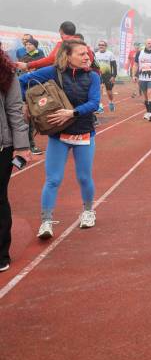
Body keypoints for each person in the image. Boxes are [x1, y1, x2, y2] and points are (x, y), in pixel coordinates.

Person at [19, 39, 100, 239]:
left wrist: (71, 113)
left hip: (83, 132)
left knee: (84, 177)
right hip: (58, 134)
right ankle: (46, 221)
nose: (86, 57)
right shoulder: (53, 72)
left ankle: (89, 211)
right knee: (53, 180)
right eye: (81, 54)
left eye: (87, 54)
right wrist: (25, 104)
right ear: (68, 56)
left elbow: (94, 103)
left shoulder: (93, 77)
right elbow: (21, 82)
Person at [0, 50, 31, 272]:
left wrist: (22, 147)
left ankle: (1, 253)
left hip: (3, 146)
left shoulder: (6, 73)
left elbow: (14, 111)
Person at [18, 38, 46, 155]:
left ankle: (28, 145)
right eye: (26, 44)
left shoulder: (40, 56)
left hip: (30, 102)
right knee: (26, 124)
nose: (27, 46)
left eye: (30, 44)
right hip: (22, 103)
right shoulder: (21, 78)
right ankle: (29, 146)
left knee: (30, 124)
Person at [131, 38, 151, 122]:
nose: (150, 45)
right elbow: (135, 65)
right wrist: (134, 75)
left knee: (150, 93)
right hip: (142, 78)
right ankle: (148, 113)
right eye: (149, 43)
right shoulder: (139, 53)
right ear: (145, 44)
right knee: (146, 96)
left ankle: (150, 114)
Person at [94, 40, 118, 112]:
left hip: (108, 76)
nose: (101, 46)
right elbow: (94, 66)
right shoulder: (96, 54)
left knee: (109, 92)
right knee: (100, 89)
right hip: (99, 75)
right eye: (99, 45)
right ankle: (100, 106)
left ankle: (111, 102)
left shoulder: (110, 54)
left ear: (106, 46)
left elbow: (114, 66)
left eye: (102, 45)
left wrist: (114, 76)